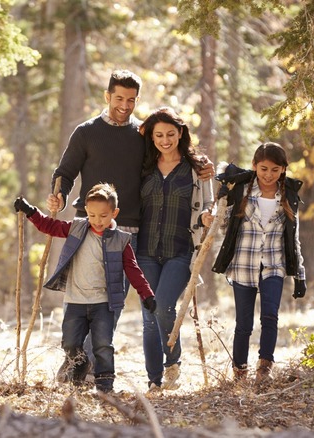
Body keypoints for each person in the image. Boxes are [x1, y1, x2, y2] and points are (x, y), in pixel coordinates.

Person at [46, 69, 215, 377]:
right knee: (84, 297)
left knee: (113, 303)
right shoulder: (86, 132)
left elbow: (172, 155)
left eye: (132, 100)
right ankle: (75, 360)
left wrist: (202, 165)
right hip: (88, 227)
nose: (125, 105)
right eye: (119, 98)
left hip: (128, 233)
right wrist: (58, 194)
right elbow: (65, 172)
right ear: (107, 96)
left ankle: (87, 366)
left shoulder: (141, 135)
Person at [14, 183, 157, 394]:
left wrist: (146, 293)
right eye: (92, 215)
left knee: (102, 346)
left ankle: (105, 386)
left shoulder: (121, 240)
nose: (97, 221)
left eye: (103, 215)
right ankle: (79, 364)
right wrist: (30, 211)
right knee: (70, 342)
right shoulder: (77, 228)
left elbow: (132, 269)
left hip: (103, 303)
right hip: (75, 301)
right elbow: (50, 226)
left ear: (114, 213)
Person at [211, 142, 307, 388]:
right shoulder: (241, 190)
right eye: (263, 168)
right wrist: (220, 207)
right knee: (244, 323)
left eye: (275, 170)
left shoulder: (288, 196)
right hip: (243, 264)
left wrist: (300, 275)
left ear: (283, 169)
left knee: (270, 316)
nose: (268, 175)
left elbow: (293, 238)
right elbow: (223, 226)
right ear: (254, 166)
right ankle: (239, 370)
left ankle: (265, 367)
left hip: (274, 265)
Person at [136, 107, 214, 391]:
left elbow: (209, 203)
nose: (165, 140)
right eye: (159, 135)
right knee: (148, 316)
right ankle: (154, 381)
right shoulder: (143, 165)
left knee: (163, 306)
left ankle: (172, 362)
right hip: (144, 251)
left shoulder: (197, 168)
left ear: (181, 133)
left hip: (181, 250)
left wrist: (208, 215)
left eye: (170, 133)